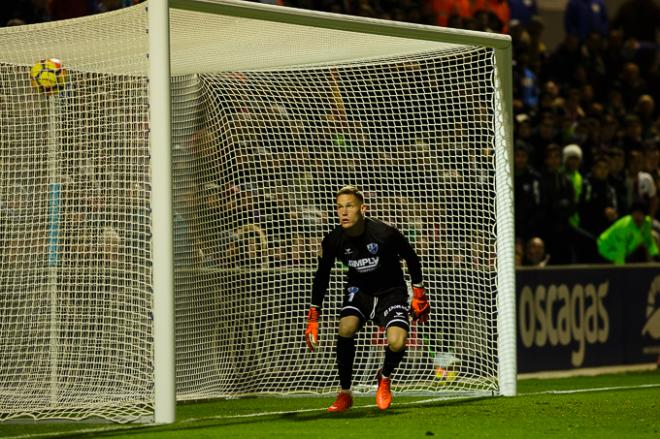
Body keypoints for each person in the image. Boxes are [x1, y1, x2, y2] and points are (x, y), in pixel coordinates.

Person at [304, 185, 429, 412]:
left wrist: (418, 293)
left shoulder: (385, 233)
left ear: (363, 208)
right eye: (339, 207)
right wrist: (314, 315)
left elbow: (412, 258)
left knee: (397, 341)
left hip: (391, 292)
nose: (343, 212)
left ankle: (385, 377)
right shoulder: (333, 240)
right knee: (346, 328)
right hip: (359, 291)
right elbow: (322, 275)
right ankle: (345, 393)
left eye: (349, 206)